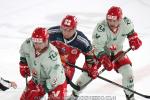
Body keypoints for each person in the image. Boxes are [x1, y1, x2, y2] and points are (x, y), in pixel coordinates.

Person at [92, 6, 142, 100]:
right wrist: (103, 58)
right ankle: (74, 95)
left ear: (120, 19)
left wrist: (134, 40)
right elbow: (96, 47)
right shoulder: (101, 27)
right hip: (101, 53)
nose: (111, 23)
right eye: (109, 20)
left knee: (128, 73)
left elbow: (132, 35)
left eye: (114, 20)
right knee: (89, 72)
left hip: (118, 53)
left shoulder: (126, 23)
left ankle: (130, 97)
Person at [48, 15, 98, 99]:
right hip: (49, 62)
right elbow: (36, 44)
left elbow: (89, 56)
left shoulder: (82, 41)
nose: (66, 32)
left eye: (69, 30)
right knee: (36, 87)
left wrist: (92, 68)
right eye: (63, 29)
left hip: (67, 67)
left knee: (57, 91)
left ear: (75, 29)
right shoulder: (51, 32)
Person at [19, 27, 66, 100]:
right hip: (37, 79)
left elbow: (56, 77)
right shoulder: (28, 43)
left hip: (56, 84)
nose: (36, 46)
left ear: (46, 40)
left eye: (39, 43)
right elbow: (23, 51)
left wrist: (42, 89)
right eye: (35, 43)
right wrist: (23, 64)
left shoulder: (52, 54)